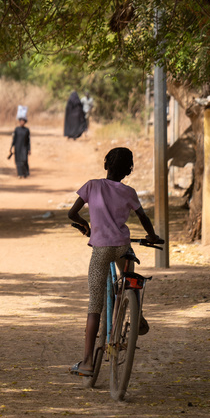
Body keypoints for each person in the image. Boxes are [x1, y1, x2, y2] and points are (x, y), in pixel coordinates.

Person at [67, 147, 161, 377]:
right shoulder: (129, 191)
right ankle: (134, 314)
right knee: (129, 281)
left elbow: (72, 214)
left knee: (94, 306)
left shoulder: (91, 186)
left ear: (106, 164)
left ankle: (88, 362)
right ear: (128, 171)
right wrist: (151, 236)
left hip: (101, 250)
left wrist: (85, 226)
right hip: (122, 247)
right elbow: (143, 217)